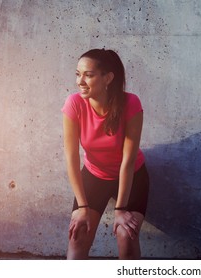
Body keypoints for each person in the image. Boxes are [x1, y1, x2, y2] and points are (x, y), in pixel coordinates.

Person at [61, 48, 149, 259]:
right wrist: (82, 206)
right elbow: (71, 159)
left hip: (132, 177)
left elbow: (127, 161)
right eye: (77, 74)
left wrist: (121, 209)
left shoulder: (131, 103)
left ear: (108, 78)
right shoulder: (74, 104)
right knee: (78, 234)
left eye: (88, 75)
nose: (80, 81)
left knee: (125, 235)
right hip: (94, 176)